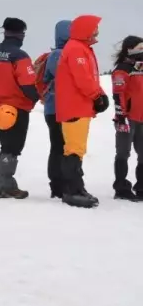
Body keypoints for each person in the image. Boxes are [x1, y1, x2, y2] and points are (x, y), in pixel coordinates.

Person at [54, 15, 109, 208]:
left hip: (80, 106)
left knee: (77, 149)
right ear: (86, 29)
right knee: (73, 150)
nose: (97, 32)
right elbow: (82, 78)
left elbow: (90, 77)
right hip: (74, 106)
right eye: (95, 28)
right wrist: (97, 95)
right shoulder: (76, 48)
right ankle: (71, 191)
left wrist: (99, 94)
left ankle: (78, 188)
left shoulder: (82, 48)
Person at [0, 17, 38, 199]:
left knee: (6, 145)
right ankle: (4, 185)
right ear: (21, 34)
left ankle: (5, 183)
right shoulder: (20, 56)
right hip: (17, 107)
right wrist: (38, 97)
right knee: (13, 148)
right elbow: (29, 85)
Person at [37, 20, 71, 199]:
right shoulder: (58, 54)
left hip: (56, 108)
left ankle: (60, 184)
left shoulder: (60, 53)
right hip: (57, 109)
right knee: (59, 146)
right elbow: (66, 77)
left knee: (60, 146)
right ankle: (58, 185)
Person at [110, 35, 143, 201]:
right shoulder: (123, 68)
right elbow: (118, 94)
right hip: (127, 117)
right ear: (130, 48)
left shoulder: (141, 67)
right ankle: (121, 187)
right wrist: (121, 116)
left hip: (142, 117)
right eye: (140, 47)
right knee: (123, 153)